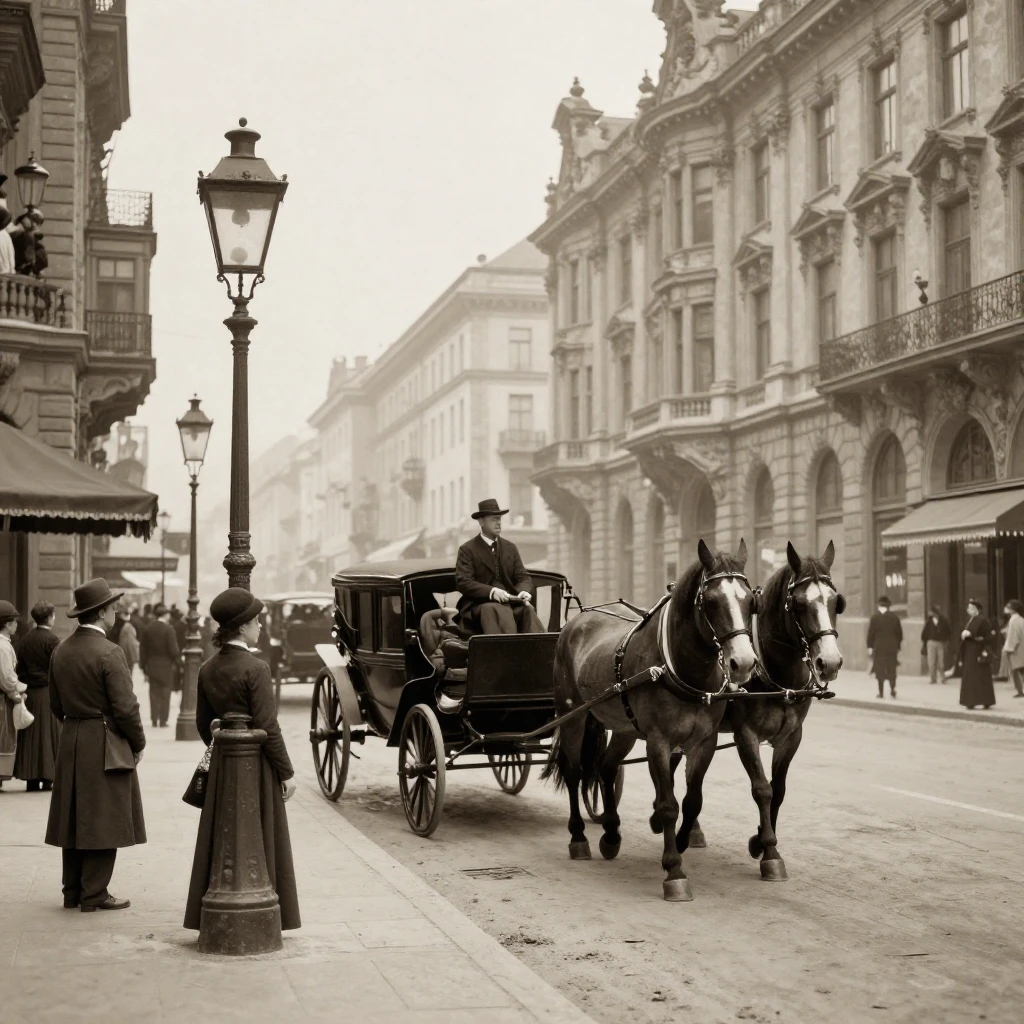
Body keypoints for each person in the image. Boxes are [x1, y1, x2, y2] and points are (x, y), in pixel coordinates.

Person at [184, 586, 300, 933]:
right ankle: (267, 906)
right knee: (262, 834)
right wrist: (286, 772)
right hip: (257, 767)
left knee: (220, 834)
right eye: (257, 621)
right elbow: (268, 726)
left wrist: (224, 747)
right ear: (244, 627)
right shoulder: (256, 667)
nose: (260, 627)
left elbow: (203, 724)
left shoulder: (207, 668)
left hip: (223, 765)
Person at [45, 578, 146, 911]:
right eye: (113, 608)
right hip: (104, 740)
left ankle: (72, 891)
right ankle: (94, 893)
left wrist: (75, 724)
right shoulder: (110, 652)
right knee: (105, 816)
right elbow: (126, 708)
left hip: (72, 737)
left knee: (73, 816)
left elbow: (55, 704)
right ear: (102, 612)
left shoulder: (61, 650)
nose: (116, 612)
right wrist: (137, 742)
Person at [455, 498, 545, 635]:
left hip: (510, 604)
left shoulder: (510, 548)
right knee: (493, 610)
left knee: (528, 610)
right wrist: (491, 592)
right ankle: (505, 648)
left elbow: (523, 577)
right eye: (493, 519)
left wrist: (522, 591)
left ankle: (537, 647)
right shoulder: (467, 549)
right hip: (479, 606)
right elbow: (464, 582)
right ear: (481, 522)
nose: (498, 523)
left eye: (499, 519)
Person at [13, 601, 61, 791]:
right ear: (48, 618)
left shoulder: (25, 639)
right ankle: (48, 777)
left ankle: (31, 779)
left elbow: (19, 668)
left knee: (31, 736)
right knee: (48, 735)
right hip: (47, 692)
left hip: (30, 693)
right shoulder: (53, 640)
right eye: (53, 615)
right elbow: (58, 667)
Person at [0, 599, 28, 788]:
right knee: (3, 737)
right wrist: (17, 693)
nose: (17, 625)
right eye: (14, 622)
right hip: (2, 699)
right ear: (7, 624)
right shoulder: (3, 646)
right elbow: (6, 677)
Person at [950, 597, 996, 709]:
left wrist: (971, 635)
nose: (968, 610)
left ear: (976, 609)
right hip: (971, 650)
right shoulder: (973, 619)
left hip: (978, 651)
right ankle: (972, 700)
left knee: (979, 676)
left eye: (970, 608)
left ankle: (980, 700)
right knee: (972, 676)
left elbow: (987, 636)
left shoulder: (982, 619)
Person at [139, 604, 179, 728]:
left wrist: (143, 666)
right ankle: (163, 720)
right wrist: (178, 662)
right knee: (165, 694)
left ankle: (154, 719)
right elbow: (174, 651)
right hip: (166, 666)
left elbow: (143, 649)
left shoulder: (148, 629)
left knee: (153, 693)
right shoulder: (169, 629)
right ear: (165, 615)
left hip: (152, 665)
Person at [866, 594, 902, 699]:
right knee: (892, 669)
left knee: (879, 670)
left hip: (879, 647)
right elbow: (899, 634)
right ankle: (892, 691)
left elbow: (870, 634)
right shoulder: (895, 618)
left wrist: (869, 646)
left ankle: (881, 693)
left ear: (879, 606)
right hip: (892, 647)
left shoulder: (874, 618)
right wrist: (898, 646)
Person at [920, 604, 951, 685]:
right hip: (931, 642)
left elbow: (948, 631)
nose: (929, 613)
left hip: (940, 642)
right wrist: (924, 643)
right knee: (931, 661)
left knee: (941, 662)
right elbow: (924, 633)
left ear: (934, 612)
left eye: (931, 612)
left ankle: (943, 677)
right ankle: (933, 678)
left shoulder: (943, 621)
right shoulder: (929, 621)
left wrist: (946, 641)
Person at [1004, 599, 1024, 698]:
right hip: (1021, 647)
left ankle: (1020, 691)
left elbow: (1013, 637)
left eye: (1008, 606)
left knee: (1015, 670)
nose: (1006, 608)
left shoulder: (1013, 621)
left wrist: (1009, 648)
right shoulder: (1021, 619)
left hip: (1015, 649)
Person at [115, 606, 140, 678]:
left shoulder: (117, 624)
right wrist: (134, 658)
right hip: (126, 654)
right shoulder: (128, 627)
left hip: (118, 652)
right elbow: (130, 644)